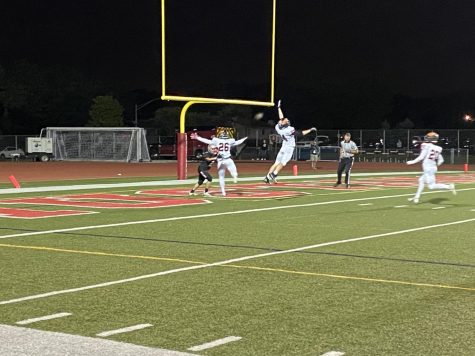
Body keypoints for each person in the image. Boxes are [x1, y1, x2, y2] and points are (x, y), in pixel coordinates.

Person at [264, 100, 316, 183]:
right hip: (289, 147)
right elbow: (300, 134)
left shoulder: (277, 127)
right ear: (286, 124)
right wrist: (310, 130)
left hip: (283, 146)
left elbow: (281, 117)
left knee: (276, 162)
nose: (285, 119)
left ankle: (267, 177)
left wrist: (278, 107)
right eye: (286, 120)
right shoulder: (289, 129)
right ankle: (273, 174)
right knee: (283, 163)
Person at [191, 128, 247, 196]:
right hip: (227, 159)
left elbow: (207, 141)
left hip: (220, 160)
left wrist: (198, 137)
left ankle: (223, 192)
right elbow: (237, 142)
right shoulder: (230, 141)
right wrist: (244, 139)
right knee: (233, 170)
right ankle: (234, 177)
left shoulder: (216, 140)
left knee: (221, 177)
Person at [406, 131, 456, 204]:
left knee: (431, 186)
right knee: (421, 181)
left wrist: (411, 162)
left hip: (428, 168)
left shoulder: (426, 146)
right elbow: (441, 160)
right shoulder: (438, 148)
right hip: (432, 167)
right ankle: (416, 197)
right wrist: (435, 165)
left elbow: (421, 157)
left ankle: (449, 187)